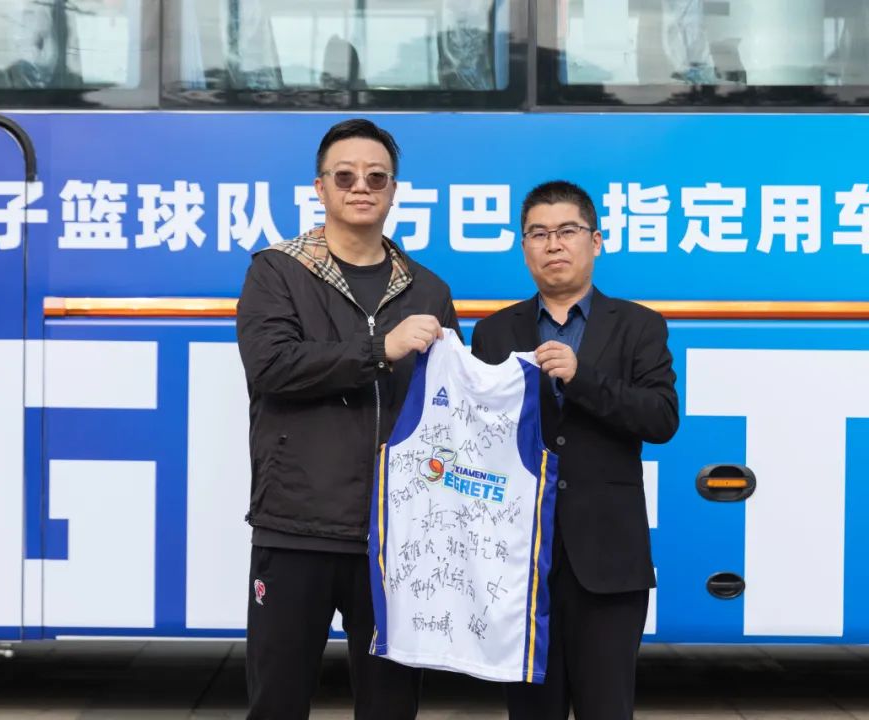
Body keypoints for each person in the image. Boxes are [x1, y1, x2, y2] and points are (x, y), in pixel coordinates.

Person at [236, 118, 459, 720]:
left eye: (376, 177)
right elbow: (271, 367)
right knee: (277, 702)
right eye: (345, 176)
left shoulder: (428, 289)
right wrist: (380, 349)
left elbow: (449, 408)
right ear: (321, 187)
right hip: (297, 526)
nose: (361, 187)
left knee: (391, 707)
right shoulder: (276, 271)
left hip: (398, 536)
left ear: (394, 190)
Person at [470, 180, 679, 720]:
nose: (553, 244)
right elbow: (476, 439)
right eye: (538, 234)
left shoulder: (639, 326)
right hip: (518, 567)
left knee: (607, 708)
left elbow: (661, 419)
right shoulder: (493, 332)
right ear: (524, 247)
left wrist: (582, 378)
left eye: (567, 230)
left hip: (608, 562)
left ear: (596, 240)